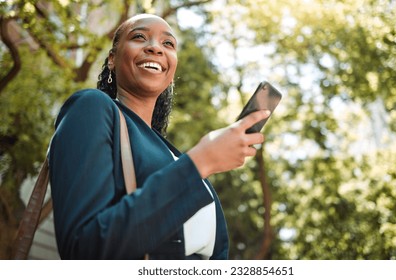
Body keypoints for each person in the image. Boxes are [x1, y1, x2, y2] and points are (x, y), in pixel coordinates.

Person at [48, 13, 269, 260]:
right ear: (112, 58)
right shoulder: (91, 108)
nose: (154, 47)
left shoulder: (178, 158)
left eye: (168, 44)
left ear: (172, 70)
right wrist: (200, 163)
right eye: (139, 37)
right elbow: (85, 249)